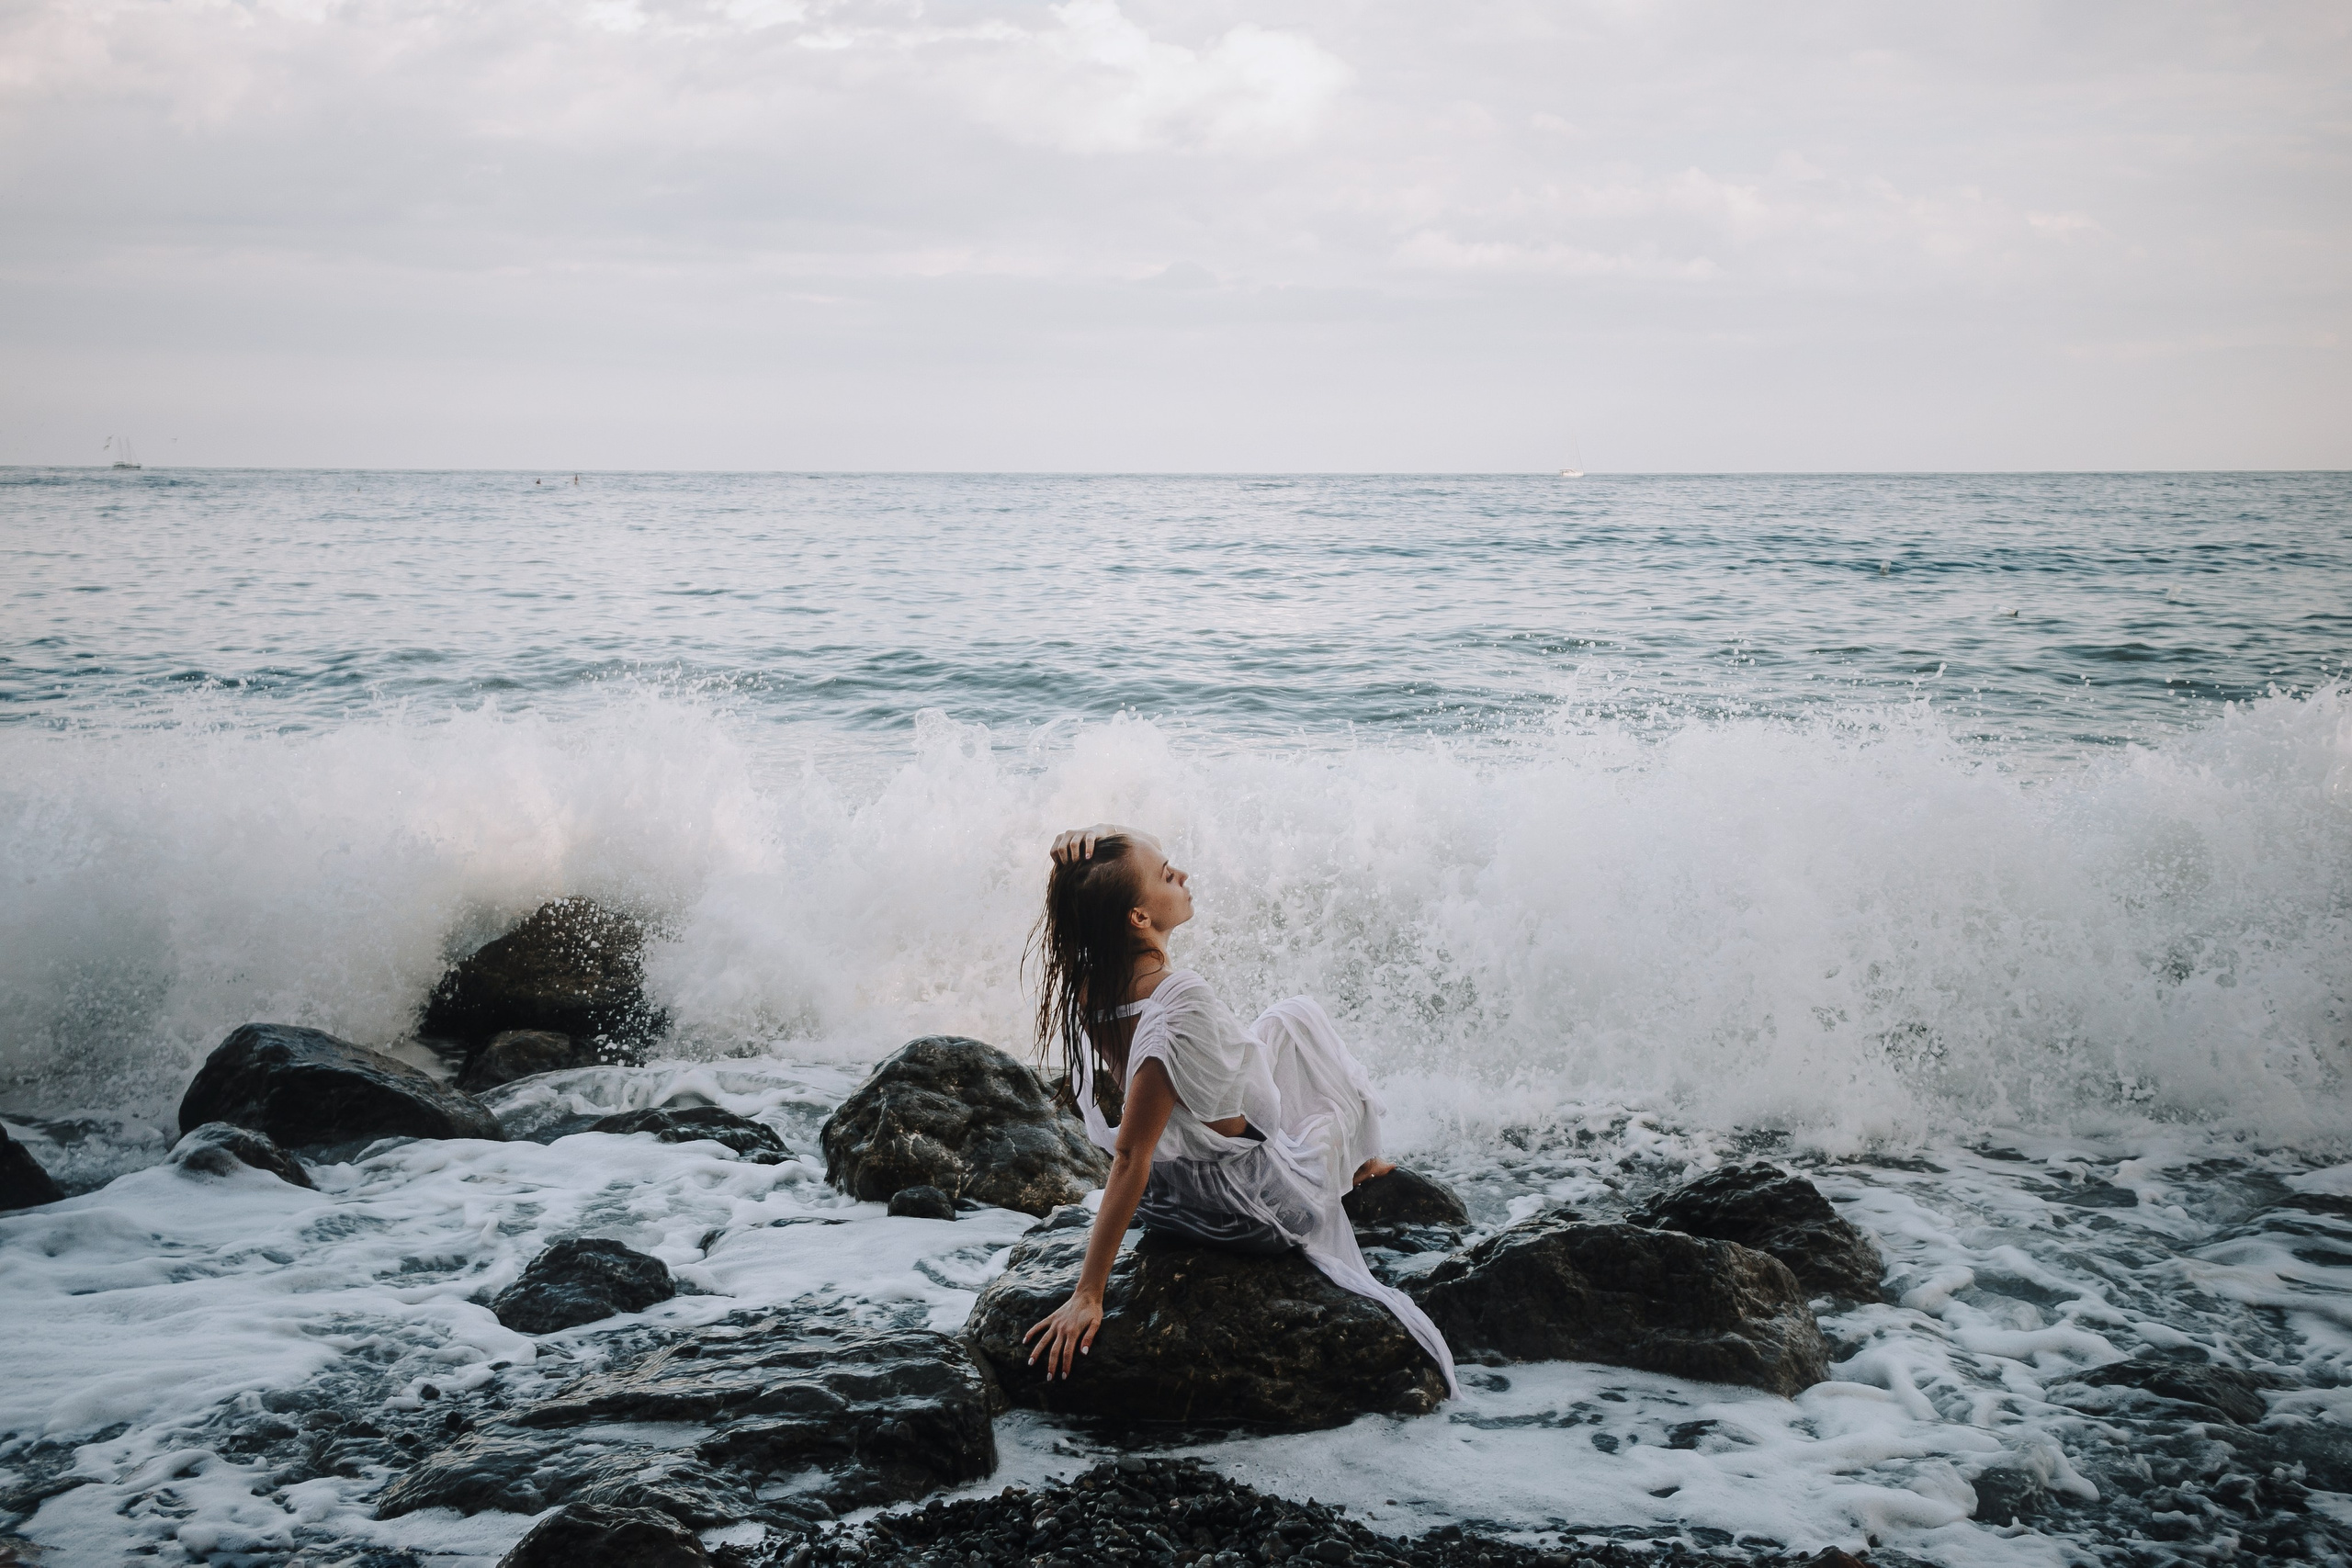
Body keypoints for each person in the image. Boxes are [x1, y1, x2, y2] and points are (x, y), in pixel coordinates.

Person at [1020, 824, 1457, 1395]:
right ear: (1138, 917)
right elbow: (1149, 1151)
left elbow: (1166, 1127)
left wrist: (1083, 847)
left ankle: (1355, 1158)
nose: (1182, 875)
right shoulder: (1179, 1003)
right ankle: (1359, 1163)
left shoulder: (1090, 979)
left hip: (1169, 1205)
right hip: (1245, 1212)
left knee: (1283, 1021)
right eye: (1166, 874)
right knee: (1308, 1057)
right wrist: (1089, 1292)